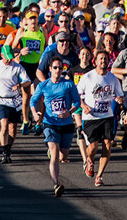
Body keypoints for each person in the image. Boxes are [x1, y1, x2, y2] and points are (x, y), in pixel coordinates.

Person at [30, 56, 81, 197]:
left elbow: (77, 101)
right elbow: (33, 100)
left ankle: (54, 152)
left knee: (63, 155)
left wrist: (69, 112)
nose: (58, 70)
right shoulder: (44, 85)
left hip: (66, 123)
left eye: (60, 68)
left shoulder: (69, 84)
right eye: (55, 68)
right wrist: (35, 113)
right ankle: (56, 184)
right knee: (55, 153)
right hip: (50, 123)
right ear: (50, 69)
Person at [78, 49, 125, 186]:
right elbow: (76, 95)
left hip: (107, 116)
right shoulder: (87, 77)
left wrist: (119, 99)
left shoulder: (112, 78)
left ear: (109, 61)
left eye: (105, 59)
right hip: (90, 117)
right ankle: (90, 160)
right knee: (93, 147)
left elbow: (120, 95)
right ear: (96, 61)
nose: (103, 61)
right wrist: (83, 106)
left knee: (107, 145)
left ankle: (99, 176)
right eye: (101, 58)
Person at [0, 44, 31, 164]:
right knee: (4, 125)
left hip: (14, 100)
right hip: (1, 100)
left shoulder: (17, 67)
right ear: (2, 55)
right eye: (7, 58)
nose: (9, 60)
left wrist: (19, 85)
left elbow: (27, 81)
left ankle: (8, 149)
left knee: (13, 128)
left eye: (11, 58)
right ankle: (4, 151)